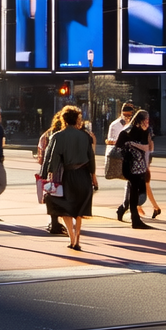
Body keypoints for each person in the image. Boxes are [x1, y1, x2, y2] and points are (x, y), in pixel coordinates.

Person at [40, 105, 97, 252]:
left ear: (63, 119)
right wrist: (93, 176)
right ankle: (77, 239)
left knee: (64, 207)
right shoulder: (85, 136)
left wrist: (48, 175)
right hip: (84, 175)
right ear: (77, 119)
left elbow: (52, 159)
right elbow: (91, 158)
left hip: (68, 176)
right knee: (80, 208)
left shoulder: (57, 136)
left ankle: (71, 237)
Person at [114, 111, 155, 228]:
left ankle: (124, 210)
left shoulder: (145, 131)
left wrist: (132, 143)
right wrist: (130, 145)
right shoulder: (127, 131)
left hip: (140, 165)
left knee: (136, 190)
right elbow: (118, 146)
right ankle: (135, 219)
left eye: (148, 120)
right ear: (139, 120)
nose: (147, 122)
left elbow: (148, 147)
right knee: (134, 190)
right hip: (130, 165)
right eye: (145, 120)